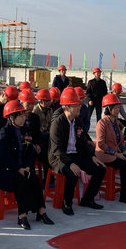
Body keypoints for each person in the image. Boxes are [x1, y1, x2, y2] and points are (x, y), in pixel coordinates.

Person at [0, 100, 54, 230]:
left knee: (35, 181)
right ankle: (22, 215)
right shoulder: (4, 132)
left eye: (23, 115)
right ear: (11, 117)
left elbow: (30, 150)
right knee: (21, 181)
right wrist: (18, 168)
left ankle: (41, 211)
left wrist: (27, 167)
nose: (23, 118)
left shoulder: (26, 130)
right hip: (7, 169)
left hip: (24, 167)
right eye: (20, 115)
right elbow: (4, 155)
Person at [48, 87, 106, 215]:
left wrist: (92, 156)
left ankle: (88, 199)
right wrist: (70, 164)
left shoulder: (77, 121)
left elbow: (83, 142)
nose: (80, 107)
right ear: (67, 108)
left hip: (75, 154)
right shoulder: (57, 124)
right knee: (73, 173)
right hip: (59, 158)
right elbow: (56, 149)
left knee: (100, 169)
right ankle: (67, 203)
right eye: (76, 105)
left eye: (79, 105)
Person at [95, 93, 126, 205]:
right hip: (104, 154)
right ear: (108, 109)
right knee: (125, 165)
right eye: (115, 108)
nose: (118, 110)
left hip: (116, 153)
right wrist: (116, 154)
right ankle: (125, 196)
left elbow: (121, 141)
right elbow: (101, 144)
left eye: (118, 108)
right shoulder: (102, 123)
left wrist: (124, 150)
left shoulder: (117, 123)